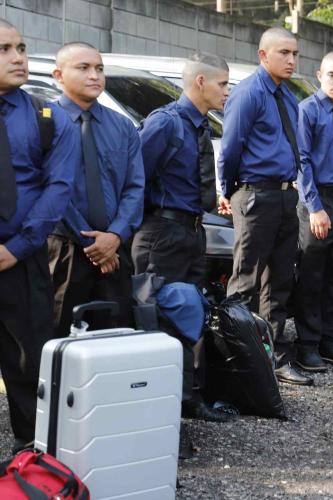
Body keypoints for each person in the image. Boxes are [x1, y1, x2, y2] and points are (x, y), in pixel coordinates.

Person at [133, 52, 233, 452]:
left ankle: (189, 400)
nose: (227, 91)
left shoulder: (196, 126)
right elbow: (134, 178)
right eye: (223, 84)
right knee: (158, 322)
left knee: (191, 318)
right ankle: (156, 416)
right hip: (163, 234)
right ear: (200, 83)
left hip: (191, 232)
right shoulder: (165, 124)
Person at [0, 19, 79, 451]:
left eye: (22, 47)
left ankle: (32, 455)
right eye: (5, 49)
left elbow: (59, 188)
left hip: (22, 260)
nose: (18, 57)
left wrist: (17, 247)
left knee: (29, 362)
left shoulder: (47, 118)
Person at [216, 27, 311, 387]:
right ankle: (235, 360)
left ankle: (275, 359)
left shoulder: (286, 97)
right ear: (263, 55)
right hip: (255, 194)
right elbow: (230, 148)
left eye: (295, 53)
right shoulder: (249, 93)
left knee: (280, 280)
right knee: (244, 281)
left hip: (286, 195)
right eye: (284, 52)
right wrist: (230, 190)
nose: (291, 60)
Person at [48, 42, 144, 338]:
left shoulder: (123, 127)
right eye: (84, 68)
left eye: (99, 69)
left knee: (115, 338)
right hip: (64, 249)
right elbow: (51, 187)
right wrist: (93, 245)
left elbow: (134, 186)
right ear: (59, 75)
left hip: (115, 252)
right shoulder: (45, 122)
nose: (94, 75)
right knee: (58, 335)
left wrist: (115, 236)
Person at [294, 51, 333, 372]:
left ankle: (331, 340)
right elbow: (301, 161)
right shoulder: (307, 110)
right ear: (319, 74)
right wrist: (315, 208)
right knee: (311, 276)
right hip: (317, 202)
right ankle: (306, 345)